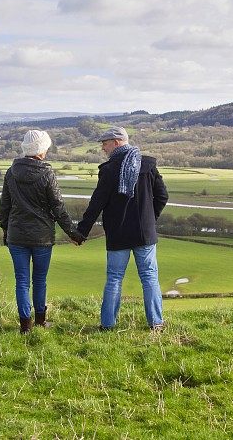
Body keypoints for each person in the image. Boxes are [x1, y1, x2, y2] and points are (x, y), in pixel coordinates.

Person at [75, 126, 168, 331]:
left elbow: (96, 204)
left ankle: (108, 325)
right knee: (150, 277)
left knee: (114, 278)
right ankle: (156, 324)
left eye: (105, 143)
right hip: (145, 233)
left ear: (116, 142)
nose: (103, 148)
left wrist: (81, 232)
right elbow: (162, 196)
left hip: (118, 234)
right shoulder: (148, 165)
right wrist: (150, 219)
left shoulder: (109, 170)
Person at [0, 129, 85, 334]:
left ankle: (25, 326)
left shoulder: (11, 172)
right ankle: (40, 321)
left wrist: (6, 230)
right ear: (41, 150)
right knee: (39, 280)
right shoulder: (46, 173)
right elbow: (58, 207)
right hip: (42, 236)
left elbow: (5, 206)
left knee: (21, 281)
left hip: (17, 235)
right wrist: (73, 232)